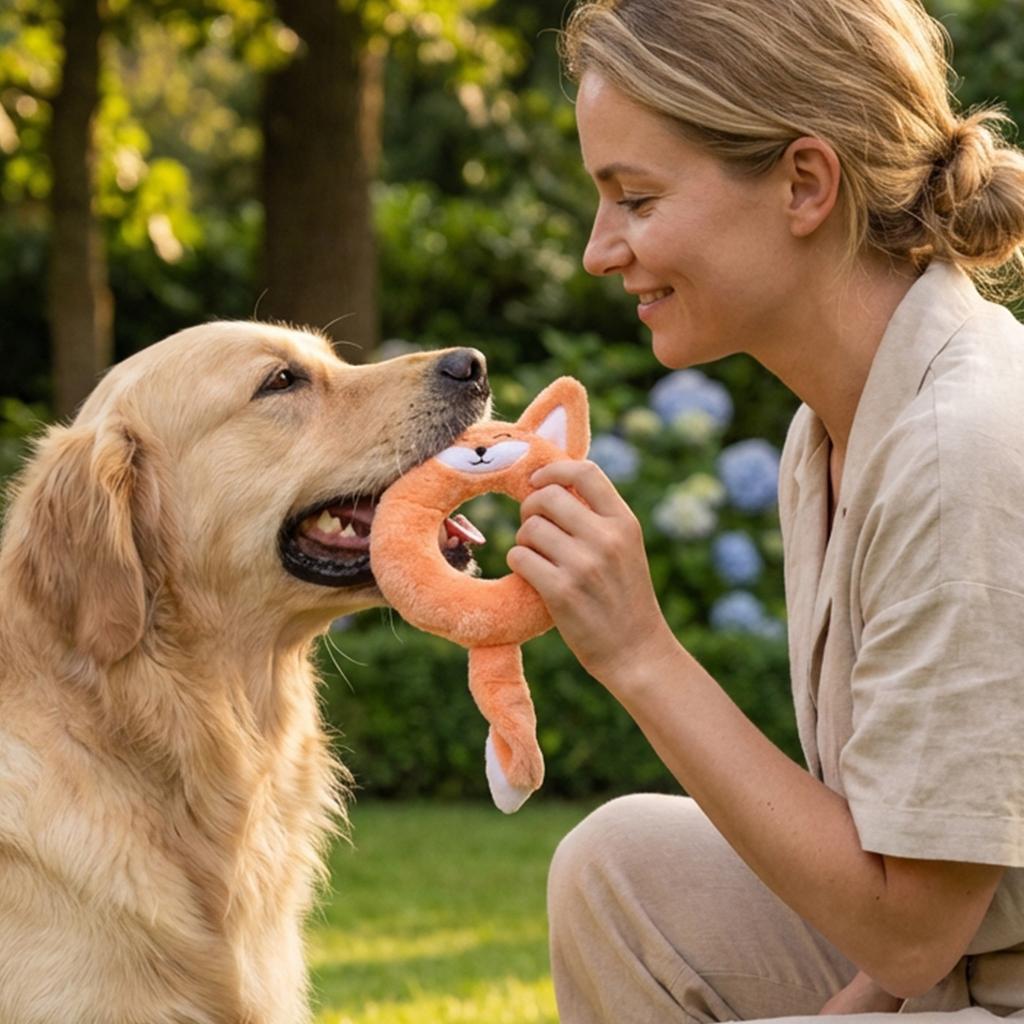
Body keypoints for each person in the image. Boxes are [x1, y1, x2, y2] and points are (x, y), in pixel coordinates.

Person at [504, 1, 1024, 1021]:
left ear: (804, 184)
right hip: (962, 959)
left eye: (636, 198)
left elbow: (914, 929)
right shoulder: (826, 432)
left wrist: (639, 651)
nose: (599, 251)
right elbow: (926, 857)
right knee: (618, 869)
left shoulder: (955, 448)